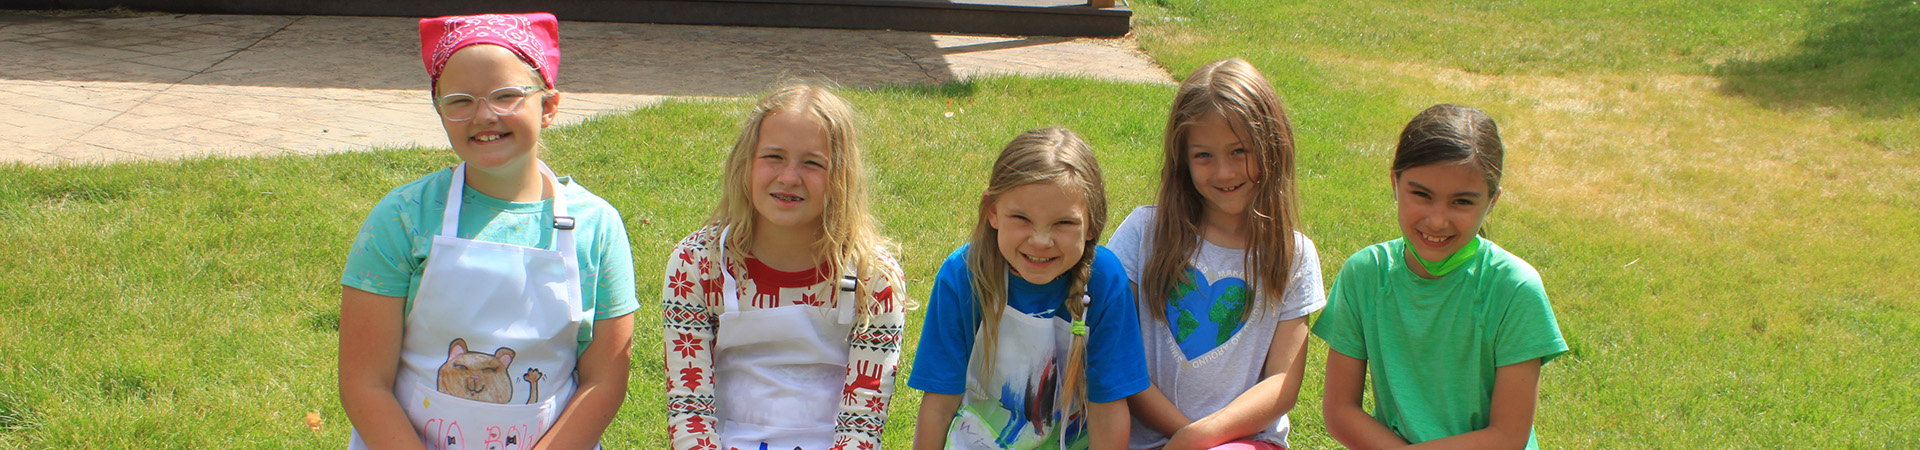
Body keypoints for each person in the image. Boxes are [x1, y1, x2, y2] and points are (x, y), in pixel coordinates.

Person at [338, 12, 637, 450]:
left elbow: (604, 381)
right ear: (440, 112)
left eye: (507, 95)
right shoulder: (402, 218)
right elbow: (365, 383)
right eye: (460, 100)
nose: (485, 115)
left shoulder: (597, 227)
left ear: (549, 106)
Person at [661, 83, 909, 450]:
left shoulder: (874, 279)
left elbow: (863, 421)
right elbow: (689, 407)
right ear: (745, 162)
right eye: (773, 156)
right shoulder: (696, 264)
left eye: (812, 163)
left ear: (841, 177)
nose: (789, 177)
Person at [1313, 104, 1568, 450]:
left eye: (1462, 202)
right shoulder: (1365, 274)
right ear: (1395, 182)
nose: (1437, 220)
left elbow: (1507, 436)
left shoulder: (1514, 288)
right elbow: (1341, 410)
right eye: (1422, 195)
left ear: (1491, 202)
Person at [1106, 58, 1323, 450]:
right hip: (1143, 438)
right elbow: (1118, 357)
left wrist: (1199, 439)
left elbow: (1281, 383)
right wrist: (1183, 436)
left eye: (1239, 151)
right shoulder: (1143, 233)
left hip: (1245, 441)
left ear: (1273, 148)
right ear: (1182, 160)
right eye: (1203, 156)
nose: (1223, 173)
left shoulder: (1294, 256)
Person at [910, 127, 1149, 450]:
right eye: (1021, 218)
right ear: (992, 211)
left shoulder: (1105, 279)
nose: (1040, 241)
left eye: (1063, 223)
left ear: (1092, 223)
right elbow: (939, 405)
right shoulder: (962, 276)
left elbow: (1109, 410)